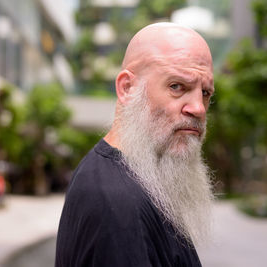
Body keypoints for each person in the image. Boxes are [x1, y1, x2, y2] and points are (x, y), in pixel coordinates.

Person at [55, 22, 215, 267]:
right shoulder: (116, 202)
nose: (198, 108)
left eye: (205, 93)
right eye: (177, 86)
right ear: (127, 88)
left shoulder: (138, 181)